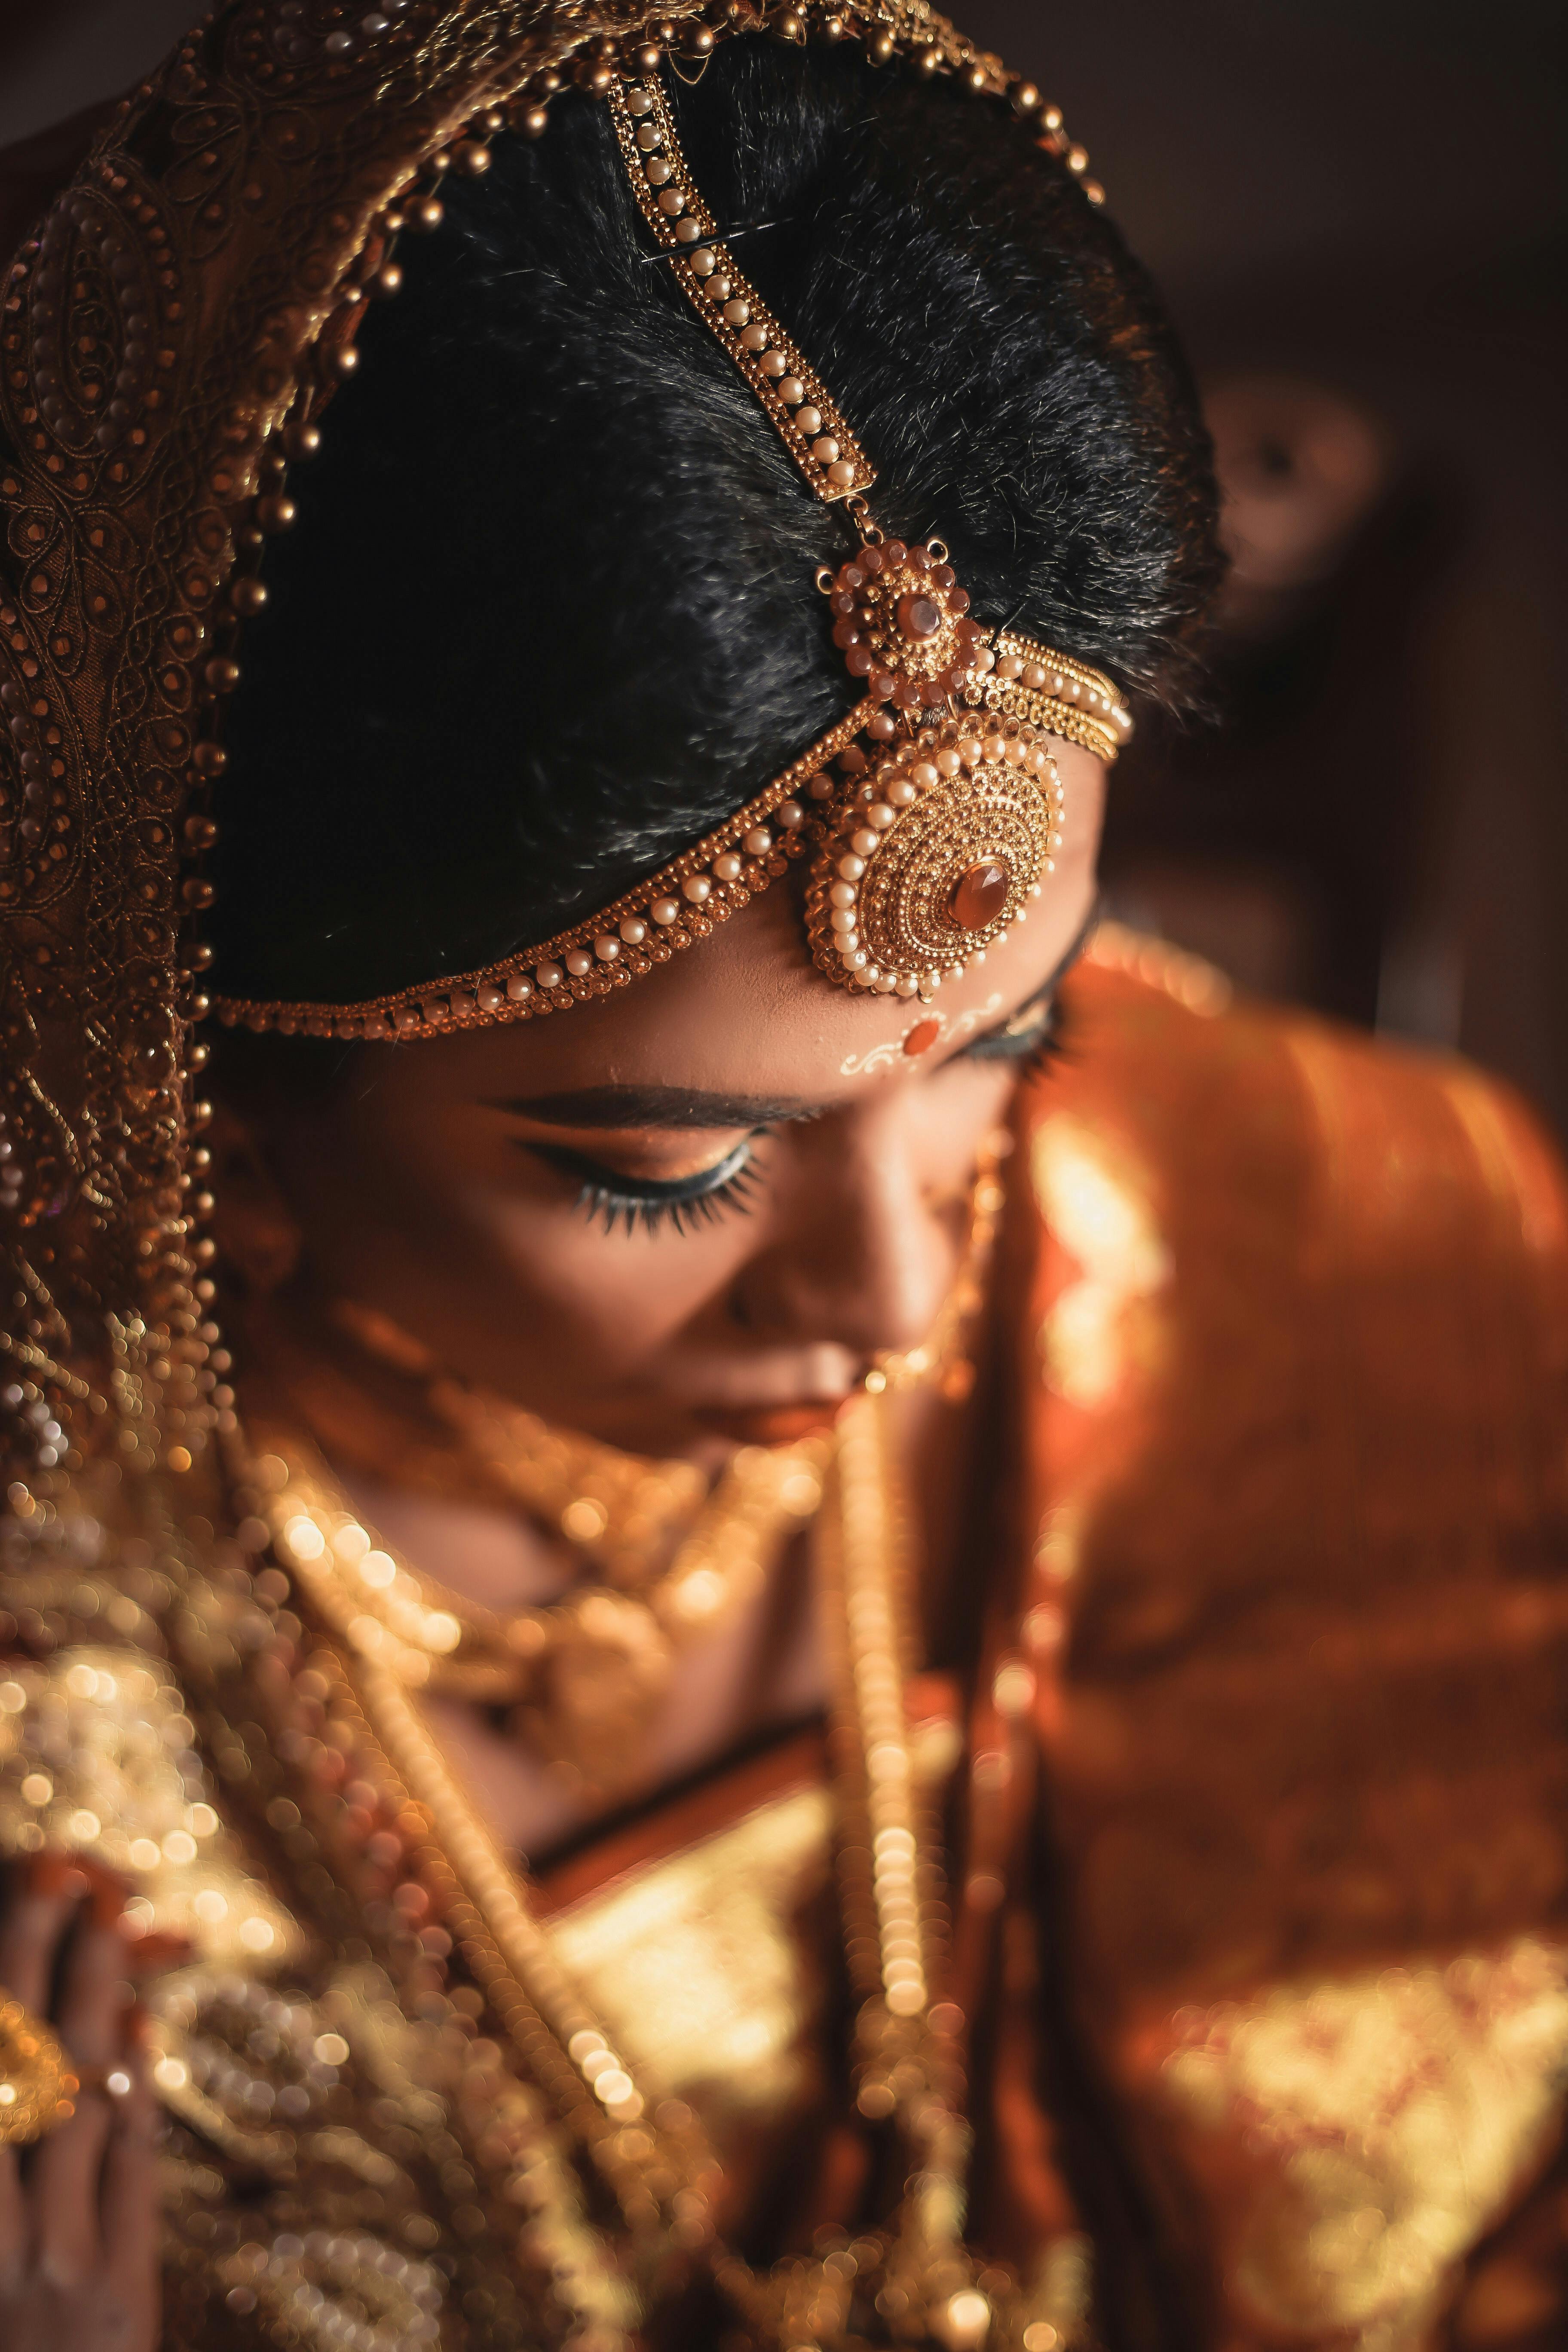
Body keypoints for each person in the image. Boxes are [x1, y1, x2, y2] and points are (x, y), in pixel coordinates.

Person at [0, 6, 1566, 2349]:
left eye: (1001, 1048)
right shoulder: (66, 1725)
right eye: (677, 1165)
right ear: (181, 1079)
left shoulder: (1325, 1245)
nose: (895, 1296)